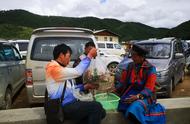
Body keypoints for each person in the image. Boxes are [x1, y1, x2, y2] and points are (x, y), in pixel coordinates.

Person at [45, 43, 106, 124]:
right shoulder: (53, 68)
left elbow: (70, 89)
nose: (69, 59)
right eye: (68, 56)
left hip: (71, 103)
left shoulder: (61, 68)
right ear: (61, 55)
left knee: (102, 112)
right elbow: (78, 71)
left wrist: (84, 87)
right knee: (96, 106)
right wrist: (90, 55)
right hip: (63, 107)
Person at [114, 44, 166, 124]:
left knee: (135, 107)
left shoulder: (151, 69)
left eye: (135, 56)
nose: (132, 58)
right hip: (131, 92)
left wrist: (138, 96)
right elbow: (123, 82)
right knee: (123, 104)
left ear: (142, 57)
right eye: (132, 55)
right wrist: (115, 89)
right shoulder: (130, 66)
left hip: (146, 95)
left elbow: (149, 89)